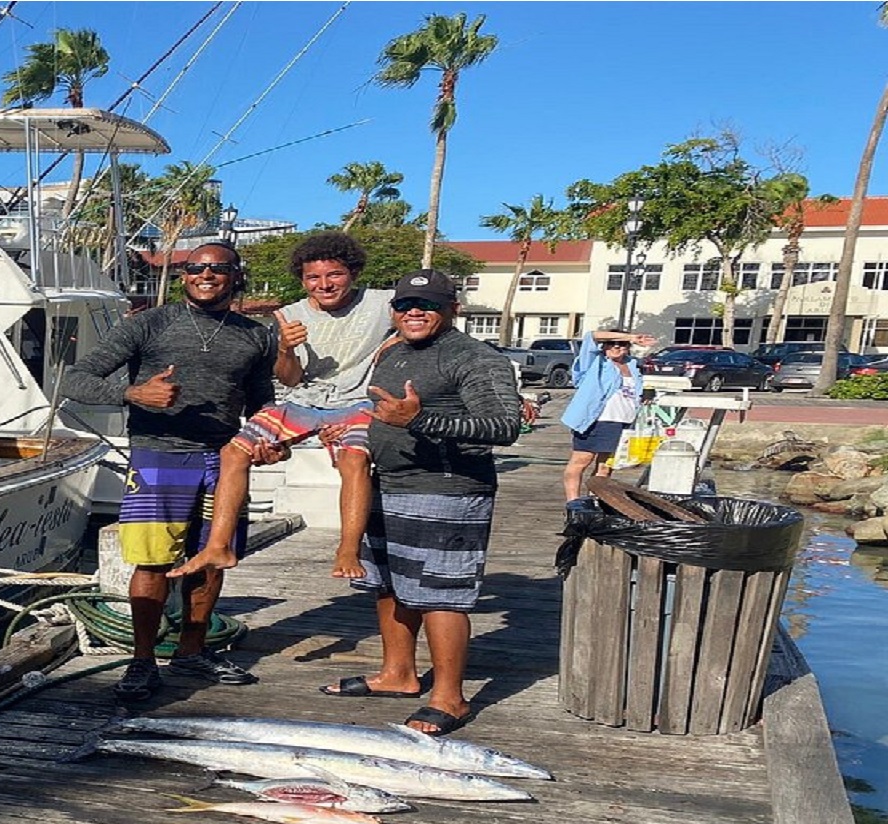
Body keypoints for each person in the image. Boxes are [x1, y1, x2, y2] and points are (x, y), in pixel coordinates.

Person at [57, 243, 282, 702]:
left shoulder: (256, 336)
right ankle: (142, 662)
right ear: (183, 276)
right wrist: (134, 394)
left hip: (225, 458)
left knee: (213, 557)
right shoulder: (148, 323)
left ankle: (192, 650)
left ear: (235, 275)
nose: (206, 275)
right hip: (159, 455)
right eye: (195, 267)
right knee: (154, 559)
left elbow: (262, 401)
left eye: (218, 268)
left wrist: (270, 437)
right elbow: (75, 379)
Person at [321, 268, 521, 735]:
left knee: (441, 594)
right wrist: (353, 426)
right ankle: (398, 674)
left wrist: (423, 419)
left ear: (453, 308)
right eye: (406, 304)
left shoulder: (476, 357)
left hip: (447, 491)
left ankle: (450, 697)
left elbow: (503, 426)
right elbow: (383, 411)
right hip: (386, 483)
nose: (415, 312)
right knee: (388, 585)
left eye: (428, 304)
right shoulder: (393, 350)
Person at [172, 231, 397, 581]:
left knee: (354, 459)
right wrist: (285, 349)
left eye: (334, 274)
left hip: (356, 403)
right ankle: (218, 545)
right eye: (313, 278)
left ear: (353, 272)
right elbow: (290, 380)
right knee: (234, 452)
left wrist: (392, 350)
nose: (324, 284)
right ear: (303, 280)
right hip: (303, 401)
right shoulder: (289, 314)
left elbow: (420, 326)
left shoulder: (384, 303)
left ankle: (348, 548)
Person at [560, 328, 658, 503]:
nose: (616, 347)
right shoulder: (595, 361)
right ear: (604, 346)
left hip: (622, 421)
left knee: (606, 466)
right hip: (597, 420)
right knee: (581, 461)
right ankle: (573, 503)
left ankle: (596, 502)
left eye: (621, 344)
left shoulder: (632, 365)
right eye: (611, 343)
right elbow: (592, 335)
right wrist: (631, 337)